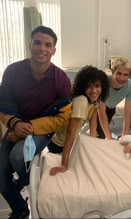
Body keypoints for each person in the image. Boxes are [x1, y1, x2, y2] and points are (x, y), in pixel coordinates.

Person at [0, 26, 72, 219]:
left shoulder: (61, 80)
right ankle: (21, 210)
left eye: (48, 45)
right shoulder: (12, 71)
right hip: (16, 125)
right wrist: (15, 124)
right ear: (30, 44)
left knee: (18, 156)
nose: (42, 48)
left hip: (42, 130)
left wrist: (29, 128)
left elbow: (63, 117)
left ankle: (23, 181)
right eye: (38, 42)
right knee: (0, 177)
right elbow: (3, 104)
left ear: (54, 50)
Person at [49, 66, 110, 175]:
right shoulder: (81, 100)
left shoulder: (95, 101)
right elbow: (70, 132)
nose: (94, 91)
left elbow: (93, 122)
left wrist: (92, 146)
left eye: (97, 86)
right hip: (59, 145)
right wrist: (64, 164)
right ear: (83, 87)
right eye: (89, 87)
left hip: (71, 141)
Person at [97, 56, 131, 139]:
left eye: (125, 75)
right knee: (102, 134)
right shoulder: (104, 83)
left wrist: (124, 135)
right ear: (113, 72)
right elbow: (101, 111)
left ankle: (113, 136)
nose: (122, 78)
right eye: (119, 73)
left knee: (106, 132)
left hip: (111, 108)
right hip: (96, 107)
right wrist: (108, 137)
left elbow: (128, 113)